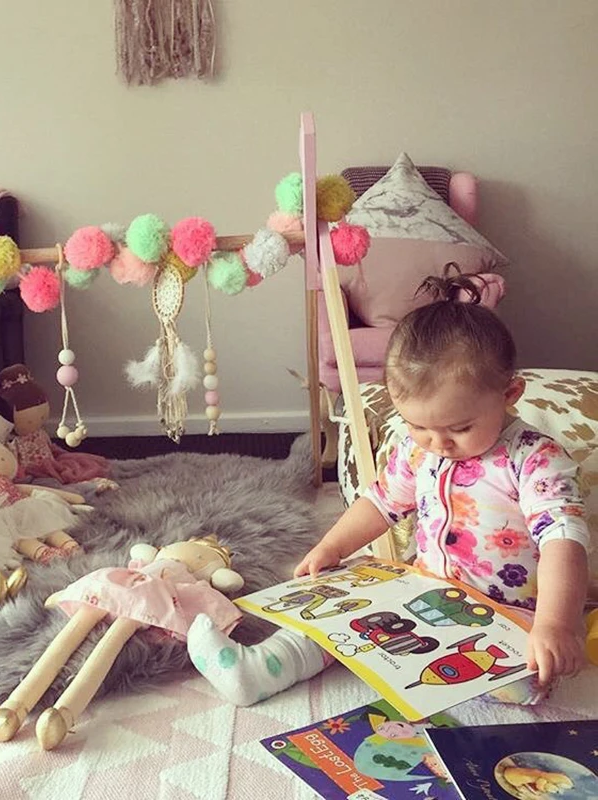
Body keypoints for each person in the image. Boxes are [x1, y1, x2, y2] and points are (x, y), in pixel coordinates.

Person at [187, 267, 590, 706]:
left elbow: (562, 542)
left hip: (503, 613)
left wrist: (555, 624)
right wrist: (332, 546)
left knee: (525, 678)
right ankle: (261, 667)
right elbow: (380, 503)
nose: (438, 443)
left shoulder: (534, 459)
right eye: (419, 426)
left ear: (510, 394)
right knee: (338, 608)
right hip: (421, 590)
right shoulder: (417, 450)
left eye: (460, 428)